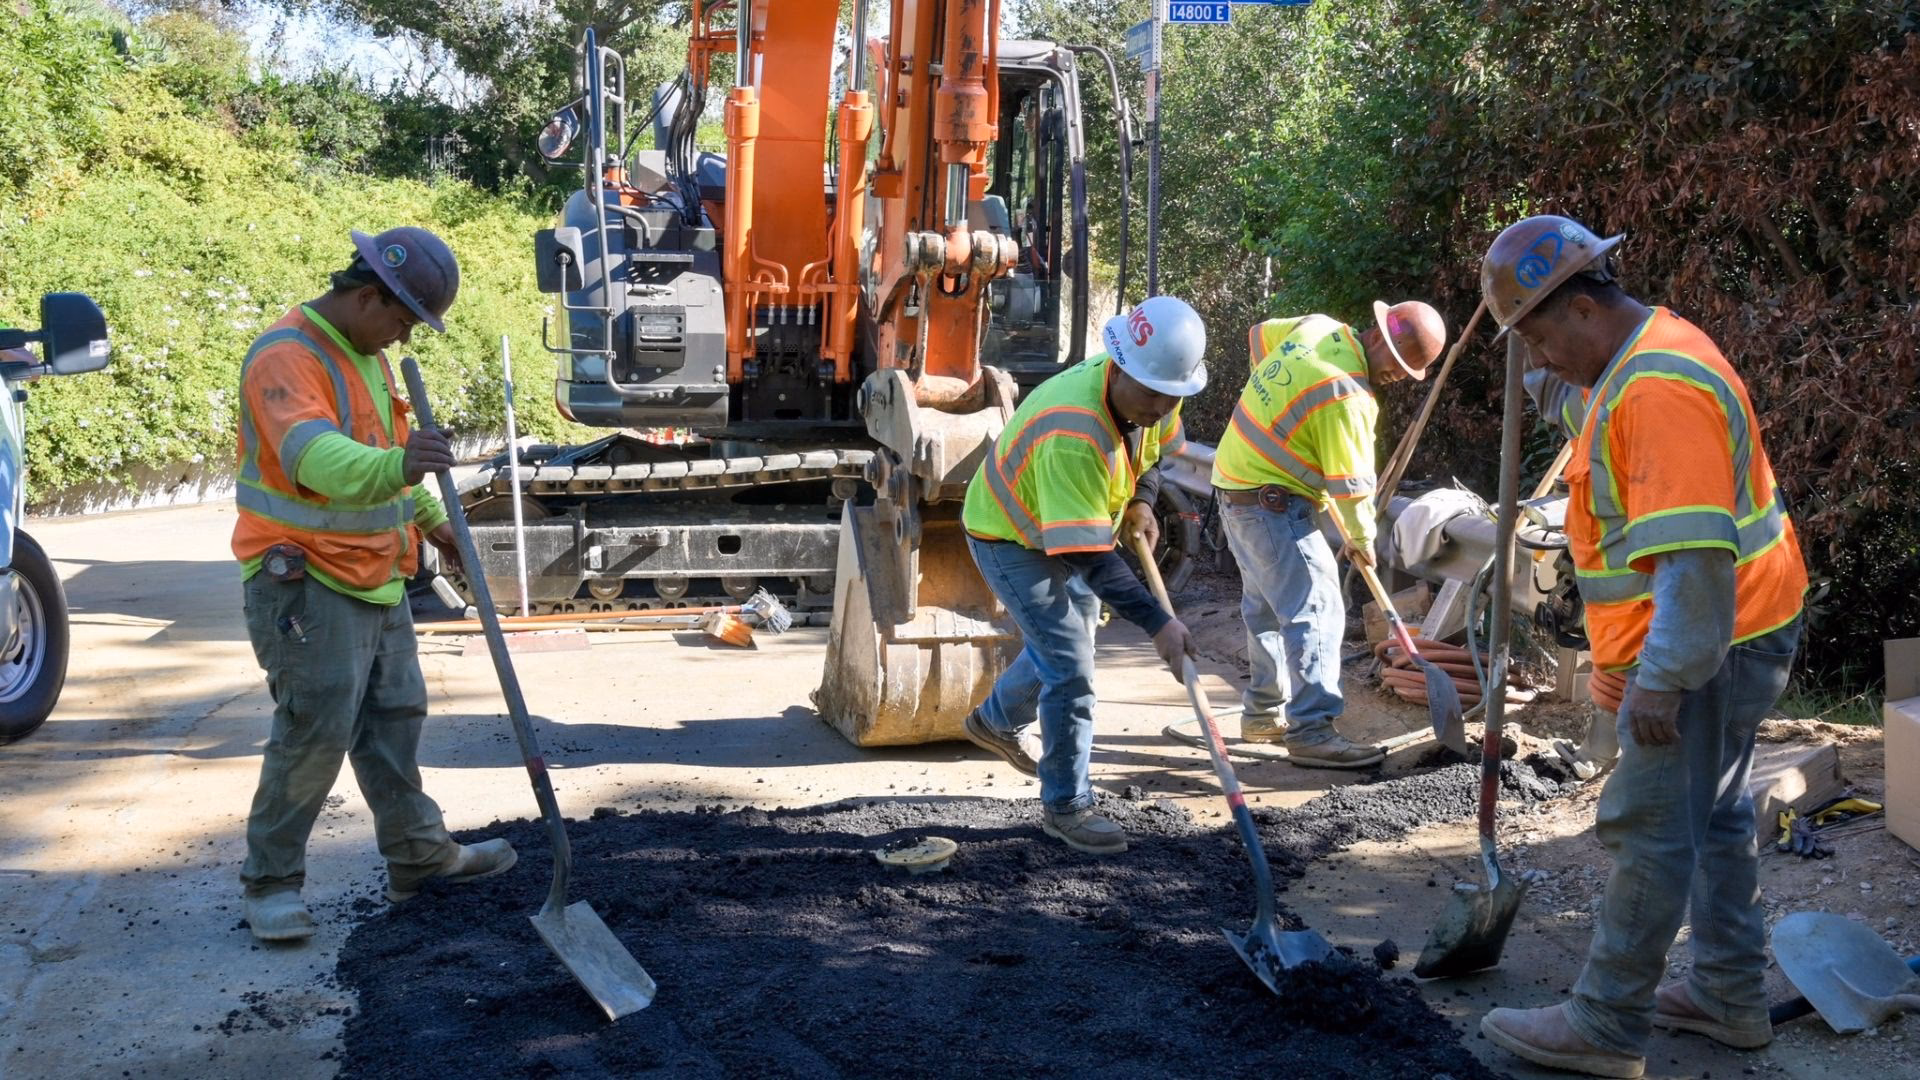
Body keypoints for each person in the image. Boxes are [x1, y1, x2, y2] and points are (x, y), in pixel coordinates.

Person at [1474, 215, 1808, 1079]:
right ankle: (1730, 996)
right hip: (1744, 633)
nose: (1537, 361)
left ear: (1582, 309)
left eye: (1540, 339)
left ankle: (1605, 1022)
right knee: (1718, 814)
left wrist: (1660, 681)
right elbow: (1578, 404)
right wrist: (1527, 353)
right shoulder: (1630, 363)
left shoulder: (1657, 393)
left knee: (1649, 826)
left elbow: (1695, 566)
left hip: (1711, 647)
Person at [233, 226, 517, 942]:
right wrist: (402, 472)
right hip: (306, 581)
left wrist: (432, 522)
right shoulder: (287, 356)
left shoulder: (363, 355)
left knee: (394, 722)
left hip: (376, 574)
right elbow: (319, 459)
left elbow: (385, 452)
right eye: (401, 320)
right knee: (314, 732)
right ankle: (271, 885)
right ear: (367, 296)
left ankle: (418, 857)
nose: (401, 338)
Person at [960, 295, 1205, 854]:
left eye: (1171, 399)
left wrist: (1142, 500)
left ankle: (995, 722)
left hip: (1070, 523)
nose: (1160, 409)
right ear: (1117, 367)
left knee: (1067, 641)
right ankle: (1066, 805)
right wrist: (1159, 623)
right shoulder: (1074, 428)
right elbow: (1093, 559)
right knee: (1070, 666)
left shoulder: (1157, 392)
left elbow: (1153, 457)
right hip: (1011, 535)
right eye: (1151, 396)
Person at [1207, 300, 1448, 768]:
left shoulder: (1317, 326)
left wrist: (1283, 412)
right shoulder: (1346, 394)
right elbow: (1354, 489)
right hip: (1272, 503)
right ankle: (1312, 730)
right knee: (1316, 609)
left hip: (1235, 484)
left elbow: (1259, 336)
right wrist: (1361, 541)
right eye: (1397, 364)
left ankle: (1262, 714)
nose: (1398, 375)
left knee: (1268, 609)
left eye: (1408, 371)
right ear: (1376, 336)